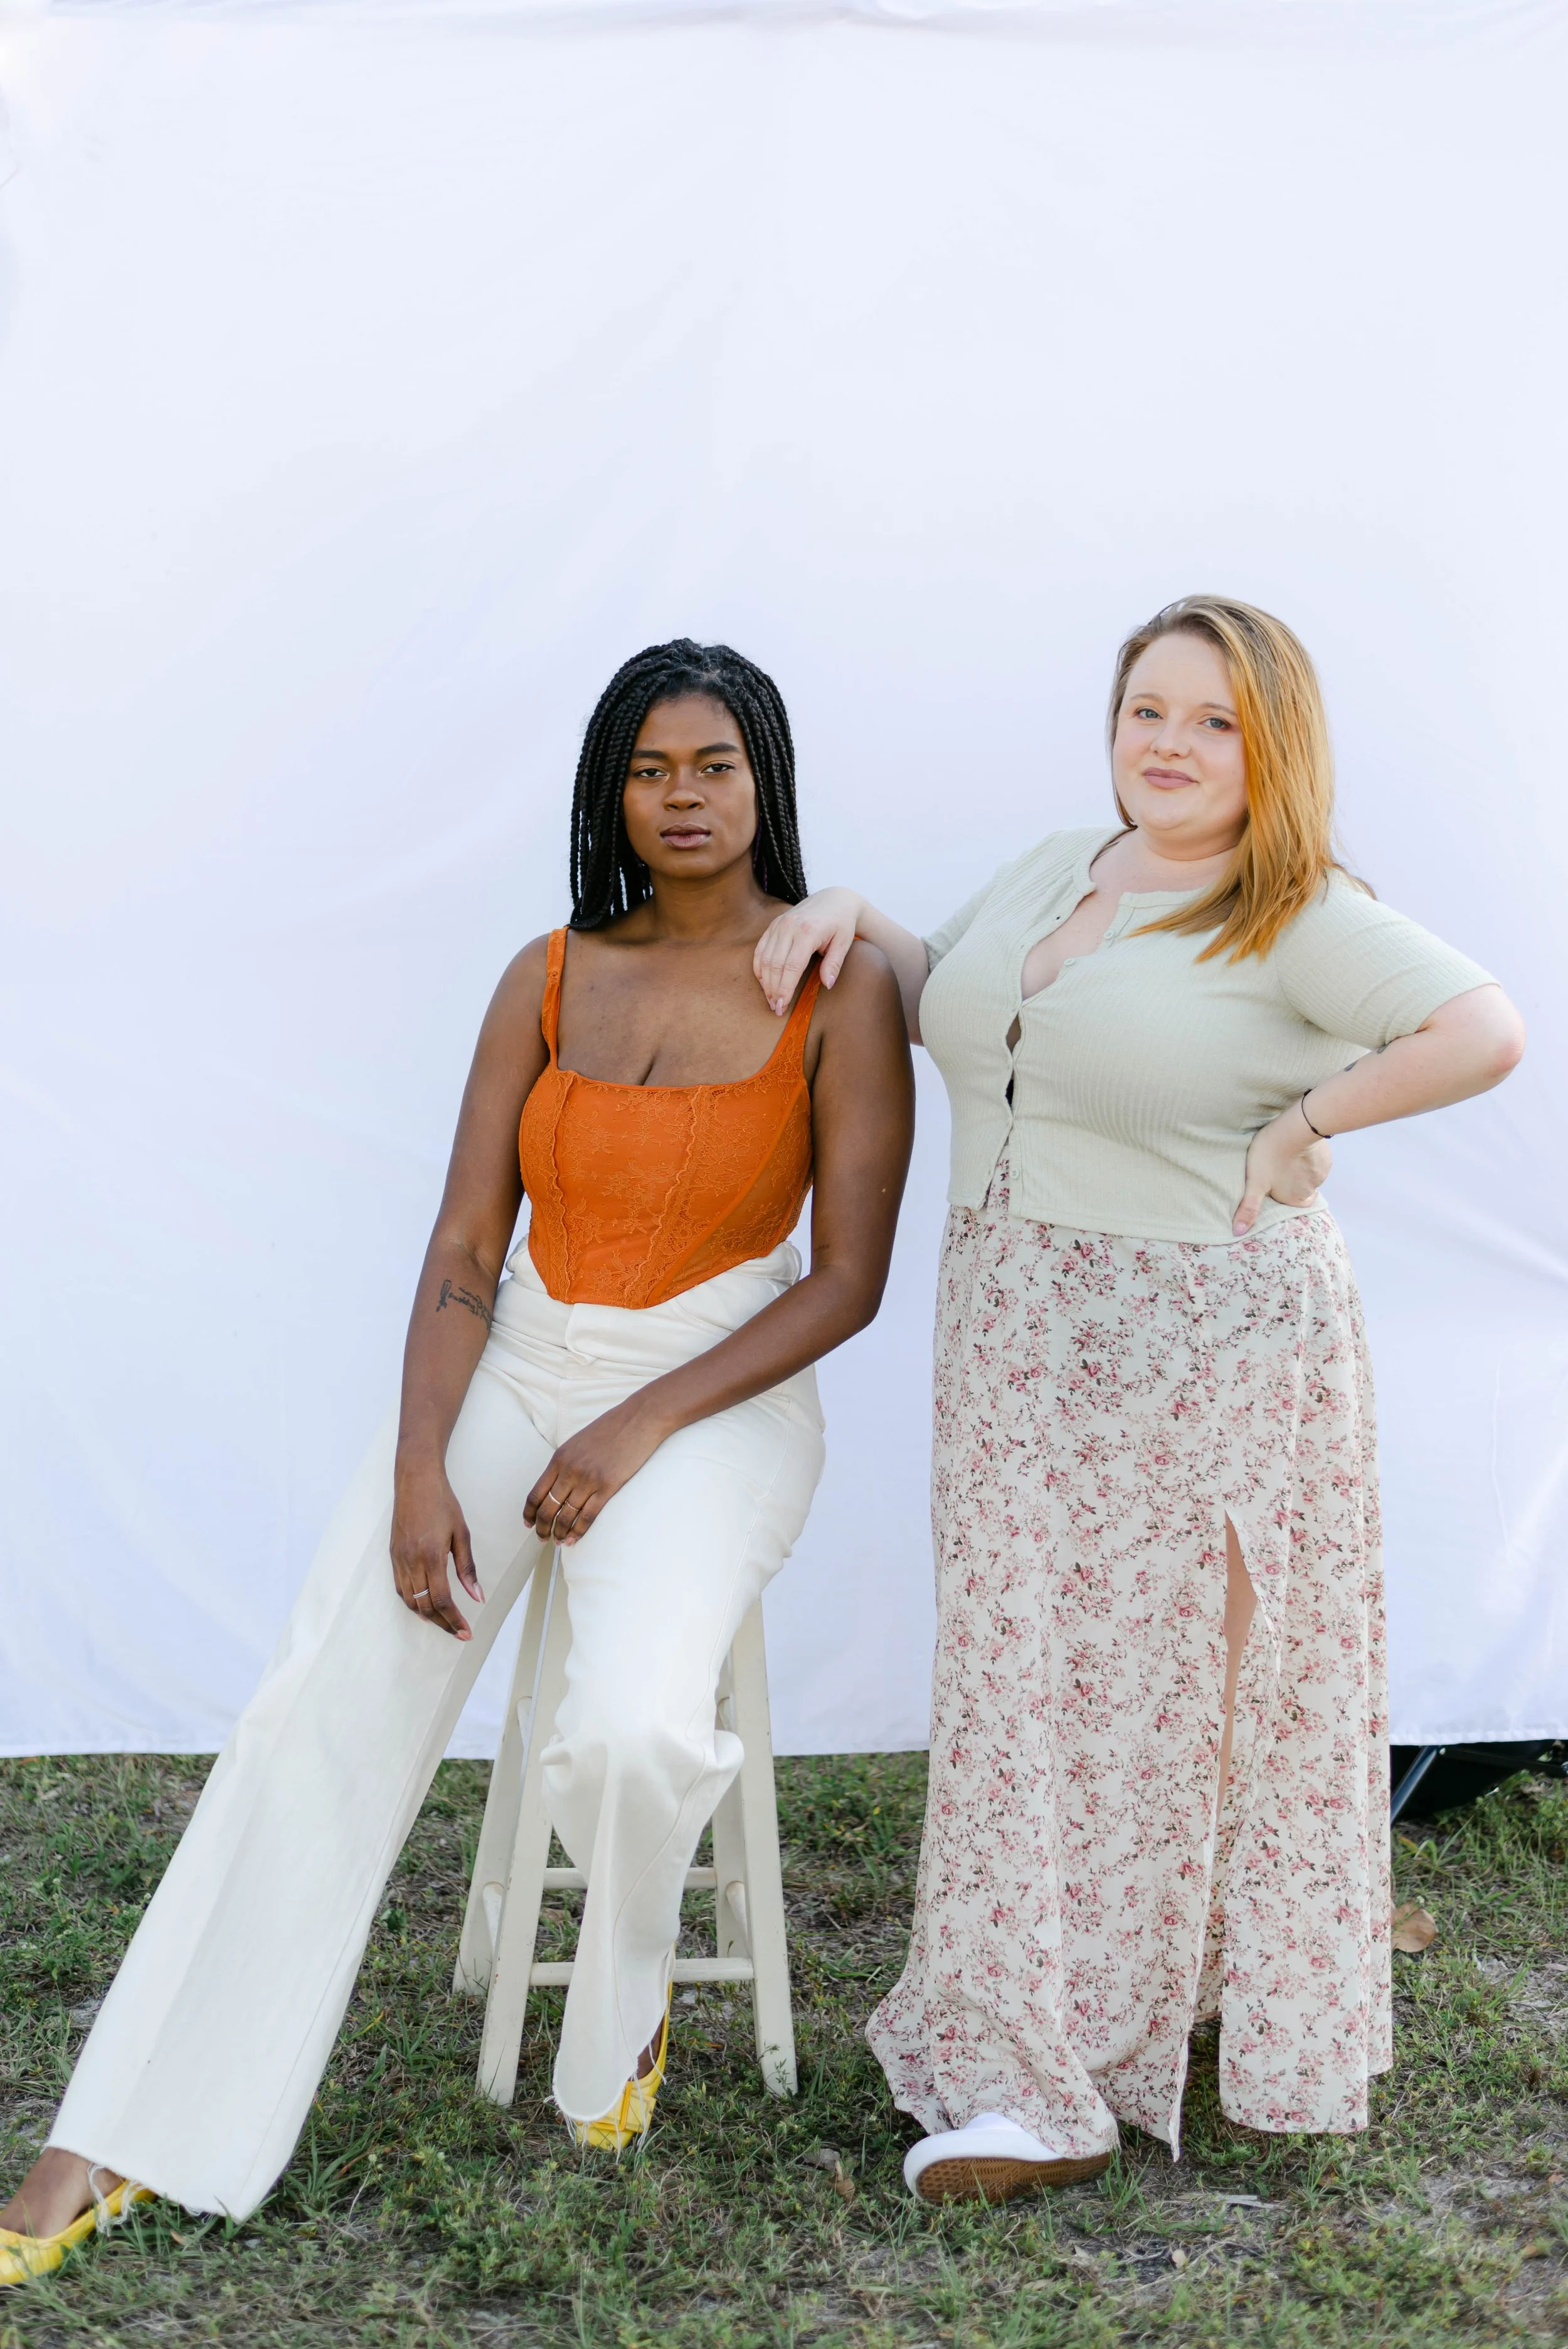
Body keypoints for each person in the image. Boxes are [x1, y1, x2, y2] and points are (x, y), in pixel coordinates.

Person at [0, 639, 914, 2281]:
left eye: (713, 763)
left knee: (634, 1731)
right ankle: (119, 2128)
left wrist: (634, 1424)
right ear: (609, 793)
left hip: (716, 1391)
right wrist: (425, 1465)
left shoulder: (837, 990)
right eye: (650, 770)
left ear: (764, 774)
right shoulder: (549, 973)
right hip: (514, 1363)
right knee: (321, 1707)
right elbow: (466, 1238)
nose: (683, 796)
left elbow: (847, 1283)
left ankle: (616, 2010)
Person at [753, 595, 1525, 2205]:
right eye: (1145, 713)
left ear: (1272, 749)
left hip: (1205, 1342)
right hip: (1022, 1338)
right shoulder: (1059, 865)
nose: (1168, 747)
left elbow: (1480, 1028)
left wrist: (1307, 1118)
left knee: (1149, 1697)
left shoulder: (1289, 906)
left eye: (1212, 722)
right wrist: (856, 921)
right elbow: (952, 991)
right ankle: (1083, 2002)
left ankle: (1068, 2077)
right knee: (1030, 1681)